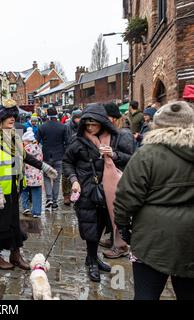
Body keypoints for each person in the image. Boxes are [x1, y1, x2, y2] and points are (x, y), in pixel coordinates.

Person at [115, 101, 194, 300]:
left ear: (157, 125)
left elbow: (126, 196)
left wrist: (123, 225)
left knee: (146, 295)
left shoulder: (146, 154)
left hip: (151, 237)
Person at [0, 99, 57, 270]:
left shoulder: (14, 136)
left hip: (13, 188)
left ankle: (15, 255)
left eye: (14, 115)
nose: (12, 119)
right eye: (8, 116)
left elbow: (25, 156)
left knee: (13, 223)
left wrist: (44, 167)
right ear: (0, 119)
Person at [63, 104, 132, 282]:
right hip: (86, 190)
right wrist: (74, 180)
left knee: (102, 224)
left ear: (102, 122)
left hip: (108, 192)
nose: (91, 127)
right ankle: (93, 261)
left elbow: (131, 158)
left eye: (94, 124)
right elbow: (67, 162)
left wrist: (114, 155)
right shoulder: (77, 141)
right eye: (87, 124)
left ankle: (91, 257)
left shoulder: (114, 138)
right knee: (90, 228)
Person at [100, 103, 135, 257]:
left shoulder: (124, 134)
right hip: (111, 177)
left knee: (118, 211)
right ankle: (113, 239)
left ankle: (121, 246)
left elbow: (130, 157)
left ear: (112, 118)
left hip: (121, 178)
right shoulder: (110, 132)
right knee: (110, 211)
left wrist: (113, 154)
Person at [36, 107, 67, 210]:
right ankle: (54, 202)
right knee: (57, 179)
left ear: (47, 114)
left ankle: (49, 198)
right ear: (57, 114)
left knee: (46, 177)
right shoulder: (63, 127)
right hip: (59, 156)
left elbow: (36, 142)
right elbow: (66, 142)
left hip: (46, 156)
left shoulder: (42, 127)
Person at [21, 128, 44, 218]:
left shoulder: (24, 150)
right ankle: (36, 212)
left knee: (24, 191)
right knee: (37, 193)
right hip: (36, 176)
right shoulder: (38, 148)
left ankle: (26, 207)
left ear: (27, 140)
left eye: (24, 141)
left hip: (26, 174)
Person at [62, 109, 82, 205]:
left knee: (78, 174)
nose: (78, 120)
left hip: (79, 153)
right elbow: (64, 140)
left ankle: (76, 194)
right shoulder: (66, 127)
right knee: (66, 175)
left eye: (80, 117)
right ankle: (66, 195)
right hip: (68, 152)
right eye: (77, 118)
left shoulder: (82, 127)